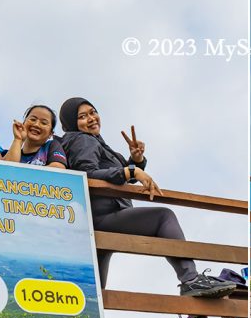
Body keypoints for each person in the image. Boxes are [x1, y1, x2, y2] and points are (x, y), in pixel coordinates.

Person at [58, 97, 236, 298]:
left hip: (102, 217)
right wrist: (131, 171)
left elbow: (117, 174)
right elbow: (87, 174)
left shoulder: (96, 143)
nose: (91, 118)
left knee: (94, 296)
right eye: (82, 116)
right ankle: (191, 280)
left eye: (92, 112)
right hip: (104, 216)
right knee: (163, 217)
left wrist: (136, 160)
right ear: (72, 123)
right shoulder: (82, 140)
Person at [5, 103, 67, 168]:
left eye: (44, 123)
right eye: (33, 119)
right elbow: (5, 171)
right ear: (24, 123)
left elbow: (58, 167)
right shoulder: (11, 152)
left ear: (50, 133)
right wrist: (18, 139)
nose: (36, 124)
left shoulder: (51, 146)